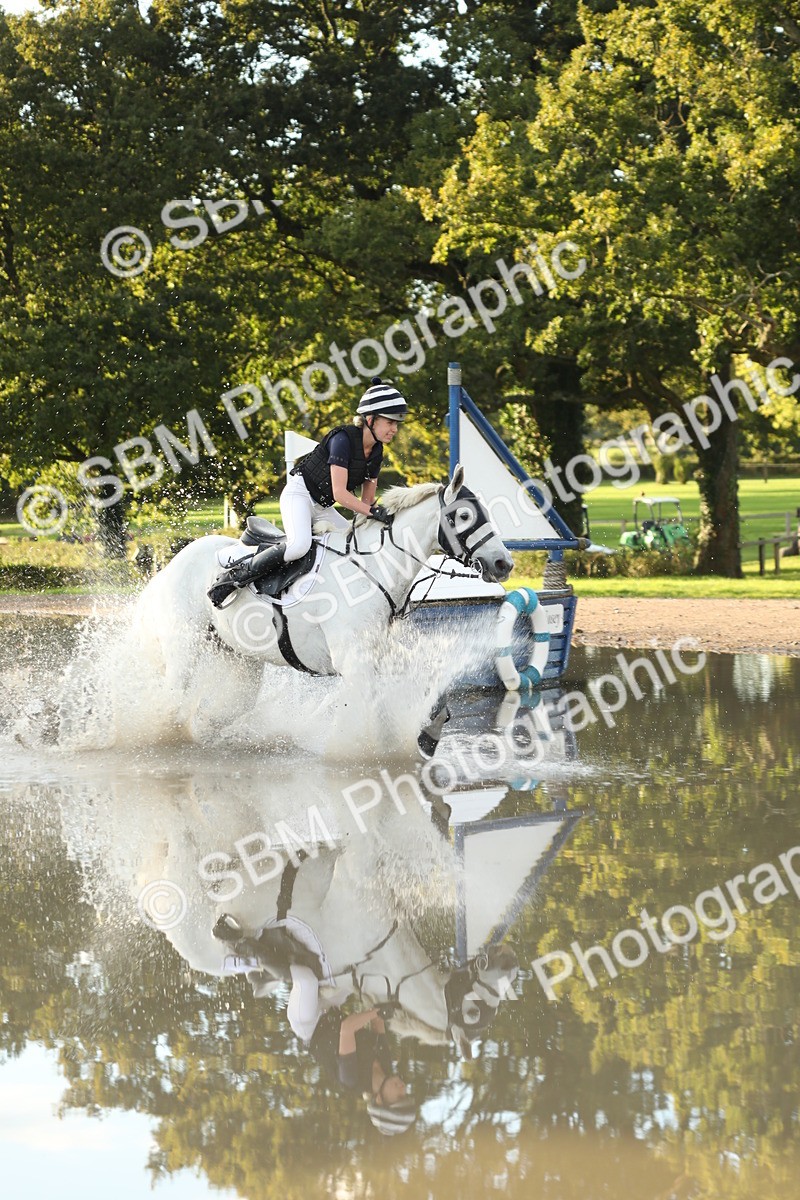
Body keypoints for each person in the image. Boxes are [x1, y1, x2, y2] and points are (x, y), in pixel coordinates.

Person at [208, 377, 408, 606]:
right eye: (390, 422)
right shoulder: (342, 439)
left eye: (397, 423)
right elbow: (342, 494)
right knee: (298, 546)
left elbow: (366, 502)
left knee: (356, 547)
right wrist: (373, 512)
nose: (395, 429)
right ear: (370, 419)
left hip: (322, 507)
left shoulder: (376, 452)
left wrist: (377, 515)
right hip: (299, 494)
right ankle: (234, 575)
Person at [310, 1004, 417, 1136]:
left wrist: (379, 1011)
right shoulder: (386, 1067)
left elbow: (347, 1028)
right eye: (405, 1095)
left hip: (309, 1024)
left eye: (399, 1096)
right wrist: (389, 1008)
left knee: (307, 983)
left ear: (379, 1100)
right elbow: (377, 1020)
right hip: (331, 1008)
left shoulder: (352, 1080)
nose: (404, 1088)